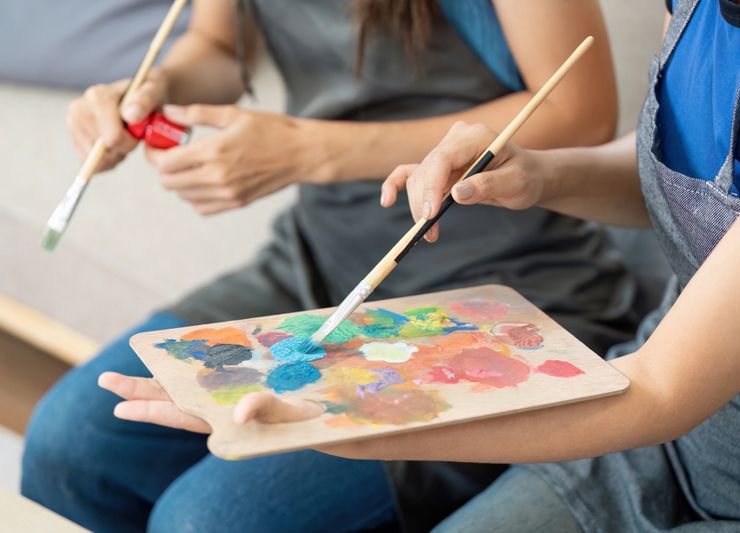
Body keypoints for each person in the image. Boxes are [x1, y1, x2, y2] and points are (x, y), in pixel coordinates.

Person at [100, 0, 740, 531]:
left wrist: (341, 416)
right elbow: (705, 187)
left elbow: (661, 388)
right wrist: (543, 176)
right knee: (83, 445)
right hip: (665, 444)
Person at [22, 1, 634, 532]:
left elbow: (580, 113)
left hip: (500, 293)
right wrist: (155, 89)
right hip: (314, 261)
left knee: (209, 520)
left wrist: (305, 150)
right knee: (71, 444)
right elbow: (217, 46)